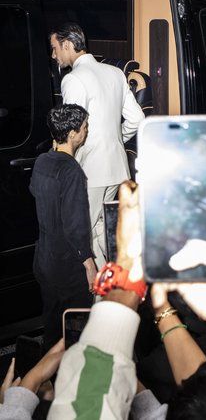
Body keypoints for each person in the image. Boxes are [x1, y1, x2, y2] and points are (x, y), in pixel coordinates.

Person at [49, 22, 145, 268]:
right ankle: (115, 293)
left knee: (83, 235)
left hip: (90, 169)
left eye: (55, 48)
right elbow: (137, 118)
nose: (53, 55)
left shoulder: (73, 79)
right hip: (117, 168)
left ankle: (97, 299)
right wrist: (116, 139)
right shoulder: (115, 73)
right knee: (104, 232)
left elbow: (72, 129)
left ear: (68, 44)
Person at [30, 104, 95, 352]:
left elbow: (34, 192)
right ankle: (74, 381)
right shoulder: (72, 171)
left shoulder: (42, 160)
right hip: (66, 266)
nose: (86, 131)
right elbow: (75, 224)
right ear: (71, 134)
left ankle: (47, 380)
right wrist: (88, 263)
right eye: (84, 127)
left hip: (44, 258)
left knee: (52, 324)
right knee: (76, 331)